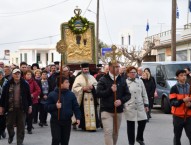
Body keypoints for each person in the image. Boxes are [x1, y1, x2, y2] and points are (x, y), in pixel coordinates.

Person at [97, 61, 131, 145]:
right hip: (106, 110)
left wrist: (121, 101)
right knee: (108, 132)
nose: (118, 68)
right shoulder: (103, 79)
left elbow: (128, 95)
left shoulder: (122, 79)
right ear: (110, 68)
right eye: (115, 67)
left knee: (115, 133)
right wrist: (110, 90)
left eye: (118, 67)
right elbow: (98, 93)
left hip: (118, 111)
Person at [0, 68, 32, 145]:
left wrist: (30, 106)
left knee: (21, 126)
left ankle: (19, 142)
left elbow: (28, 96)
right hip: (10, 108)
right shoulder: (7, 84)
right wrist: (1, 107)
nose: (17, 75)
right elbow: (3, 96)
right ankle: (11, 135)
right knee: (9, 125)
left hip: (22, 108)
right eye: (15, 74)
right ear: (13, 75)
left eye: (18, 74)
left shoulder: (25, 84)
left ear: (20, 75)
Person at [45, 76, 81, 145]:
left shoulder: (71, 94)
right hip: (56, 121)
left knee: (65, 141)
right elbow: (46, 107)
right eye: (66, 82)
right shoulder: (52, 94)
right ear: (61, 84)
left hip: (67, 121)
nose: (69, 84)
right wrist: (55, 106)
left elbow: (76, 107)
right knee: (56, 139)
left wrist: (78, 117)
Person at [124, 66, 149, 145]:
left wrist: (146, 104)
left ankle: (139, 137)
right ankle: (131, 142)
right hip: (129, 106)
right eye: (131, 72)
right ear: (128, 73)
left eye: (135, 72)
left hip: (140, 105)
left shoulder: (140, 81)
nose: (133, 74)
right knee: (130, 125)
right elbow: (122, 95)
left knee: (143, 121)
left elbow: (144, 93)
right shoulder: (125, 82)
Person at [72, 63, 100, 131]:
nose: (86, 70)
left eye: (87, 69)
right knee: (83, 111)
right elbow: (74, 88)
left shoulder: (92, 77)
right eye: (84, 69)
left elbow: (97, 86)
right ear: (82, 69)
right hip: (82, 97)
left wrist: (93, 87)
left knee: (92, 111)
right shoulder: (78, 78)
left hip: (91, 97)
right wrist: (82, 88)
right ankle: (84, 125)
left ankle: (93, 125)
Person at [169, 69, 191, 145]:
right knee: (177, 137)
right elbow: (172, 102)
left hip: (189, 117)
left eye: (185, 75)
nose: (183, 77)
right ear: (177, 77)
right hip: (178, 117)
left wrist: (190, 105)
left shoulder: (190, 87)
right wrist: (182, 100)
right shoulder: (174, 88)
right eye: (181, 75)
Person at [24, 70, 41, 134]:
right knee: (25, 115)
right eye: (27, 74)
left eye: (29, 74)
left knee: (30, 115)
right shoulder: (23, 81)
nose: (28, 76)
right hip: (24, 101)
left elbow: (38, 90)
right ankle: (24, 125)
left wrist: (33, 95)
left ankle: (29, 128)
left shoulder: (33, 82)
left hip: (32, 101)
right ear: (25, 75)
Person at [0, 69, 7, 140]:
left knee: (4, 118)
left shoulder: (6, 82)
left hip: (4, 102)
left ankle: (2, 130)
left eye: (1, 74)